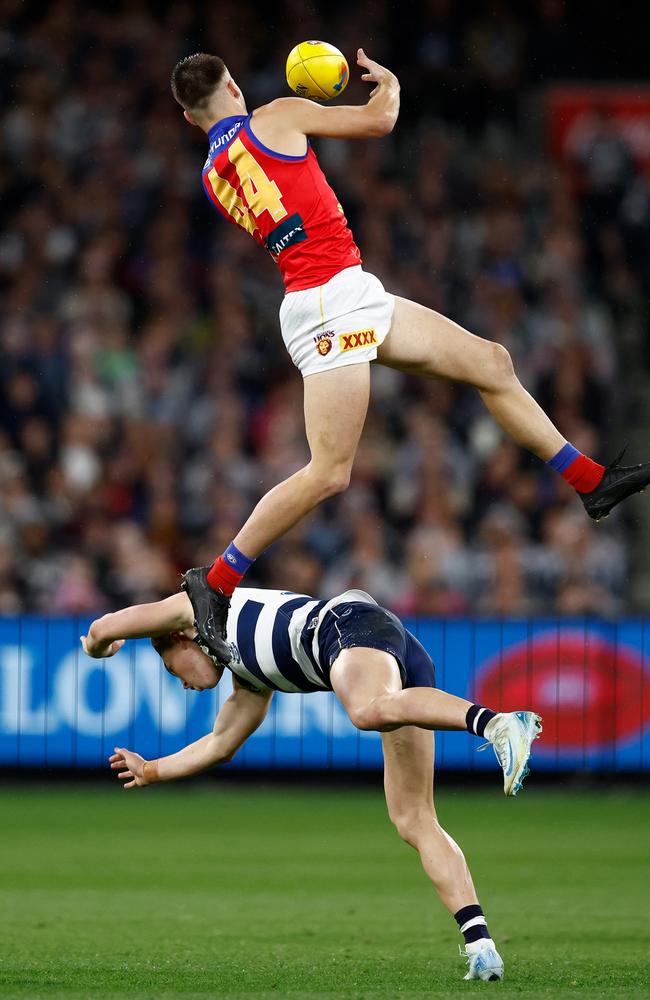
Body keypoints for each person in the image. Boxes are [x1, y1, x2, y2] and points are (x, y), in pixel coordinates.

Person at [169, 48, 650, 663]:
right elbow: (378, 122)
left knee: (492, 363)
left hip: (345, 289)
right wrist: (390, 86)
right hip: (327, 303)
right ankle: (215, 583)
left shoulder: (211, 174)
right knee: (330, 471)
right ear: (233, 85)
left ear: (189, 120)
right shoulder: (276, 114)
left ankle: (591, 481)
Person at [81, 579, 543, 983]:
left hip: (346, 624)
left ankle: (498, 724)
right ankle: (482, 947)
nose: (179, 682)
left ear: (182, 638)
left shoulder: (196, 607)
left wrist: (100, 647)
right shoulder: (248, 682)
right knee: (413, 819)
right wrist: (151, 770)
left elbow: (104, 628)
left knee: (367, 711)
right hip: (386, 645)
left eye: (170, 667)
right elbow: (219, 745)